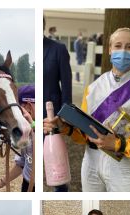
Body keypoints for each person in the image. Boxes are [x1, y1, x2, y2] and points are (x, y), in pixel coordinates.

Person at [43, 28, 130, 192]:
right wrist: (64, 127)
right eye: (118, 45)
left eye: (129, 47)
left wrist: (118, 144)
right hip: (90, 164)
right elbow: (83, 135)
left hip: (121, 166)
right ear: (109, 49)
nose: (123, 51)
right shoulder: (94, 87)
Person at [43, 16, 72, 192]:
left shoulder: (58, 49)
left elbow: (67, 87)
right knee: (28, 162)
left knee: (57, 169)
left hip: (51, 118)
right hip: (29, 114)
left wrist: (63, 118)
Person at [0, 84, 35, 192]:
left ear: (28, 107)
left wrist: (33, 125)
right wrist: (0, 183)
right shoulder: (25, 130)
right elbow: (22, 163)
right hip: (27, 184)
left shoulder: (45, 127)